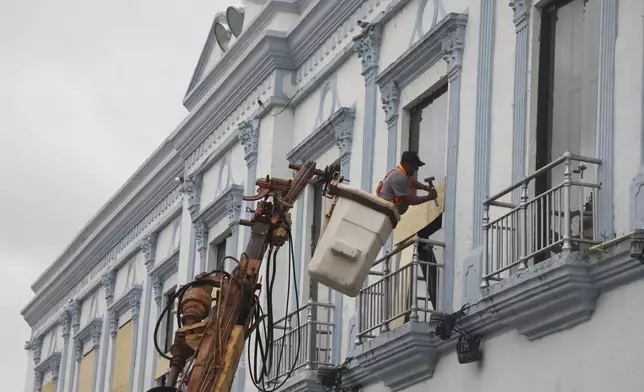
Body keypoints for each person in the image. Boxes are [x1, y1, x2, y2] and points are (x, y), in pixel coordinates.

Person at [376, 150, 442, 310]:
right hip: (386, 216)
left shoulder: (402, 174)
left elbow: (411, 183)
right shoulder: (399, 177)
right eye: (414, 166)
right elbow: (409, 200)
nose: (415, 170)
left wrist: (426, 188)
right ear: (406, 164)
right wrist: (429, 197)